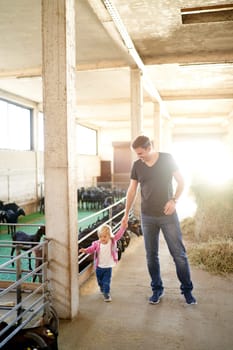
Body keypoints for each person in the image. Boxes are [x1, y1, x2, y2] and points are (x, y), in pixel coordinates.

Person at [121, 135, 197, 305]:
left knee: (179, 255)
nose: (138, 156)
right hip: (147, 216)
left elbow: (181, 182)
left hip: (167, 215)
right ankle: (157, 289)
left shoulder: (167, 159)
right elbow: (132, 190)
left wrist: (174, 200)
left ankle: (187, 291)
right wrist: (126, 215)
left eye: (140, 153)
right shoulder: (137, 165)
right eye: (136, 153)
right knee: (151, 256)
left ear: (149, 148)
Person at [79, 223, 126, 302]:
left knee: (106, 282)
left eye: (105, 236)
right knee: (100, 281)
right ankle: (101, 287)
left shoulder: (112, 241)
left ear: (109, 236)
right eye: (100, 236)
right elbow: (91, 249)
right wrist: (85, 250)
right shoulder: (97, 244)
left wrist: (123, 227)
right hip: (99, 267)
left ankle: (106, 294)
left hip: (108, 267)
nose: (102, 238)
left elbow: (119, 235)